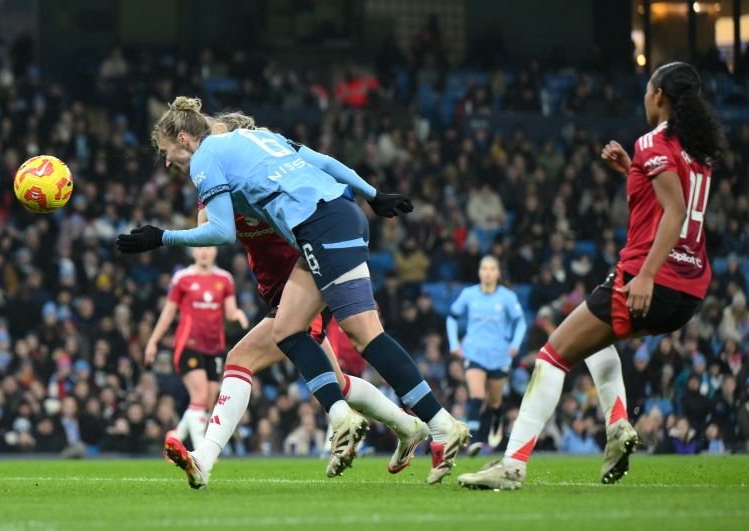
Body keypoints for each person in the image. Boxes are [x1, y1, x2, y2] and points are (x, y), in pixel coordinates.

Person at [117, 98, 469, 485]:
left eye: (167, 153)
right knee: (348, 345)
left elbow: (218, 230)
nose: (167, 163)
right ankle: (422, 424)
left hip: (318, 232)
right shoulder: (264, 145)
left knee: (281, 346)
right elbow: (326, 163)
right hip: (334, 222)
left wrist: (161, 237)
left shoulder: (211, 158)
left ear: (188, 136)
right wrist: (372, 194)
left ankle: (347, 421)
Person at [458, 61, 726, 490]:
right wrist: (632, 171)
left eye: (647, 89)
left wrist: (645, 276)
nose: (644, 97)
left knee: (553, 354)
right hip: (690, 291)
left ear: (659, 96)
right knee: (595, 340)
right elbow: (670, 201)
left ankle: (512, 465)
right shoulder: (696, 151)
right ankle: (618, 425)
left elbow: (673, 212)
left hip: (648, 279)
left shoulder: (654, 142)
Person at [145, 246, 248, 452]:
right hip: (188, 345)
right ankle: (202, 453)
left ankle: (176, 435)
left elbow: (229, 312)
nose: (204, 252)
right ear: (192, 252)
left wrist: (237, 314)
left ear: (215, 251)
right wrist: (153, 341)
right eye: (199, 248)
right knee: (199, 396)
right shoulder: (182, 278)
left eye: (208, 248)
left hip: (215, 347)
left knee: (208, 401)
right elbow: (168, 313)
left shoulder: (225, 279)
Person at [446, 256, 526, 455]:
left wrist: (515, 345)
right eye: (484, 268)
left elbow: (521, 322)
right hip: (474, 352)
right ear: (479, 272)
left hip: (499, 356)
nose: (488, 272)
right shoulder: (469, 294)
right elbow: (452, 317)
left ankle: (490, 430)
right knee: (477, 396)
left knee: (495, 401)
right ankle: (473, 439)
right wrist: (455, 343)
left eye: (492, 269)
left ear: (498, 273)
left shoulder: (507, 297)